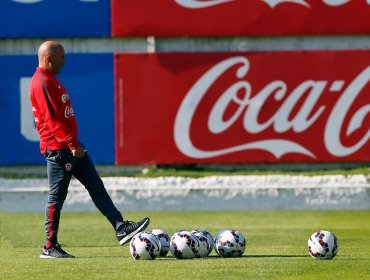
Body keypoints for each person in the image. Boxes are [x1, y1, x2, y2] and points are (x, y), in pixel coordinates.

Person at [29, 41, 150, 259]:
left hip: (70, 145)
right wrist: (71, 143)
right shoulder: (42, 82)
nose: (65, 61)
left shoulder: (50, 80)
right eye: (62, 57)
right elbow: (52, 118)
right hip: (59, 149)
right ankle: (49, 246)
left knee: (96, 186)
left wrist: (75, 142)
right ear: (49, 59)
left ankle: (120, 226)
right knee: (57, 197)